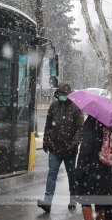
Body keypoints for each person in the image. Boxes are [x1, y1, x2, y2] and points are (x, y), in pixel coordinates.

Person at [37, 82, 84, 213]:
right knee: (52, 175)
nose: (62, 96)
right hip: (54, 149)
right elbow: (47, 126)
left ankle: (73, 198)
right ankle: (47, 202)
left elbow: (80, 130)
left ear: (69, 95)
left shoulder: (76, 109)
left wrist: (73, 145)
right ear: (57, 94)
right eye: (60, 94)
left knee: (71, 175)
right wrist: (46, 142)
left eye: (65, 94)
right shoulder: (53, 106)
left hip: (70, 150)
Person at [76, 116, 112, 220]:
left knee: (85, 200)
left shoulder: (90, 125)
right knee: (101, 202)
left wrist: (79, 170)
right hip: (105, 171)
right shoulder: (110, 127)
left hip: (90, 171)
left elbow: (84, 151)